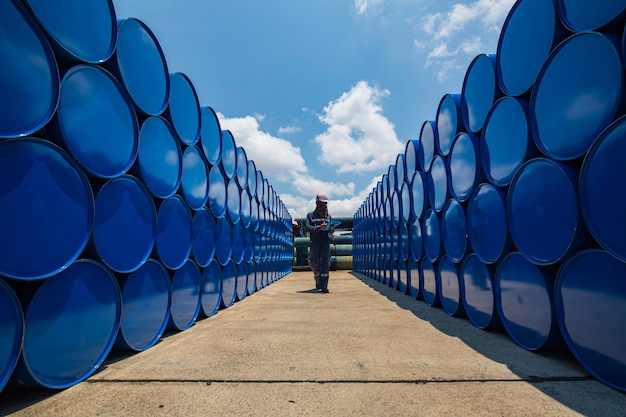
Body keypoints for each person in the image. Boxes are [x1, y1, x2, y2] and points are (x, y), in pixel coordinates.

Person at [305, 192, 334, 293]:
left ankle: (324, 285)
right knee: (314, 262)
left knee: (325, 262)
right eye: (322, 203)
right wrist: (319, 228)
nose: (324, 206)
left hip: (325, 241)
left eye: (325, 204)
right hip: (315, 241)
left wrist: (331, 228)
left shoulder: (328, 216)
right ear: (317, 203)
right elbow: (308, 228)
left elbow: (331, 231)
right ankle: (318, 280)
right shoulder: (310, 215)